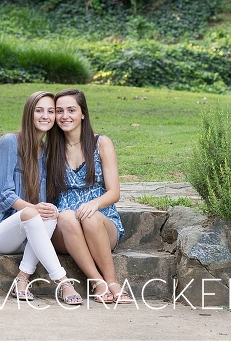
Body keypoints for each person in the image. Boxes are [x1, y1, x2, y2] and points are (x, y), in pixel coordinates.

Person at [0, 90, 83, 305]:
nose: (45, 116)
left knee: (49, 213)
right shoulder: (10, 142)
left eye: (50, 111)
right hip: (2, 234)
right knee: (33, 212)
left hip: (32, 234)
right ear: (29, 113)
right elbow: (4, 195)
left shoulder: (47, 152)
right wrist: (34, 209)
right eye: (39, 111)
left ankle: (22, 278)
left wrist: (48, 211)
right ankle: (64, 282)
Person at [46, 88, 133, 304]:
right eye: (59, 111)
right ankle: (98, 283)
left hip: (102, 223)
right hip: (66, 230)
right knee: (66, 216)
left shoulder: (101, 143)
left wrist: (93, 204)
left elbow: (114, 192)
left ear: (83, 113)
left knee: (90, 217)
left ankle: (112, 281)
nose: (65, 116)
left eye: (71, 110)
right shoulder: (51, 149)